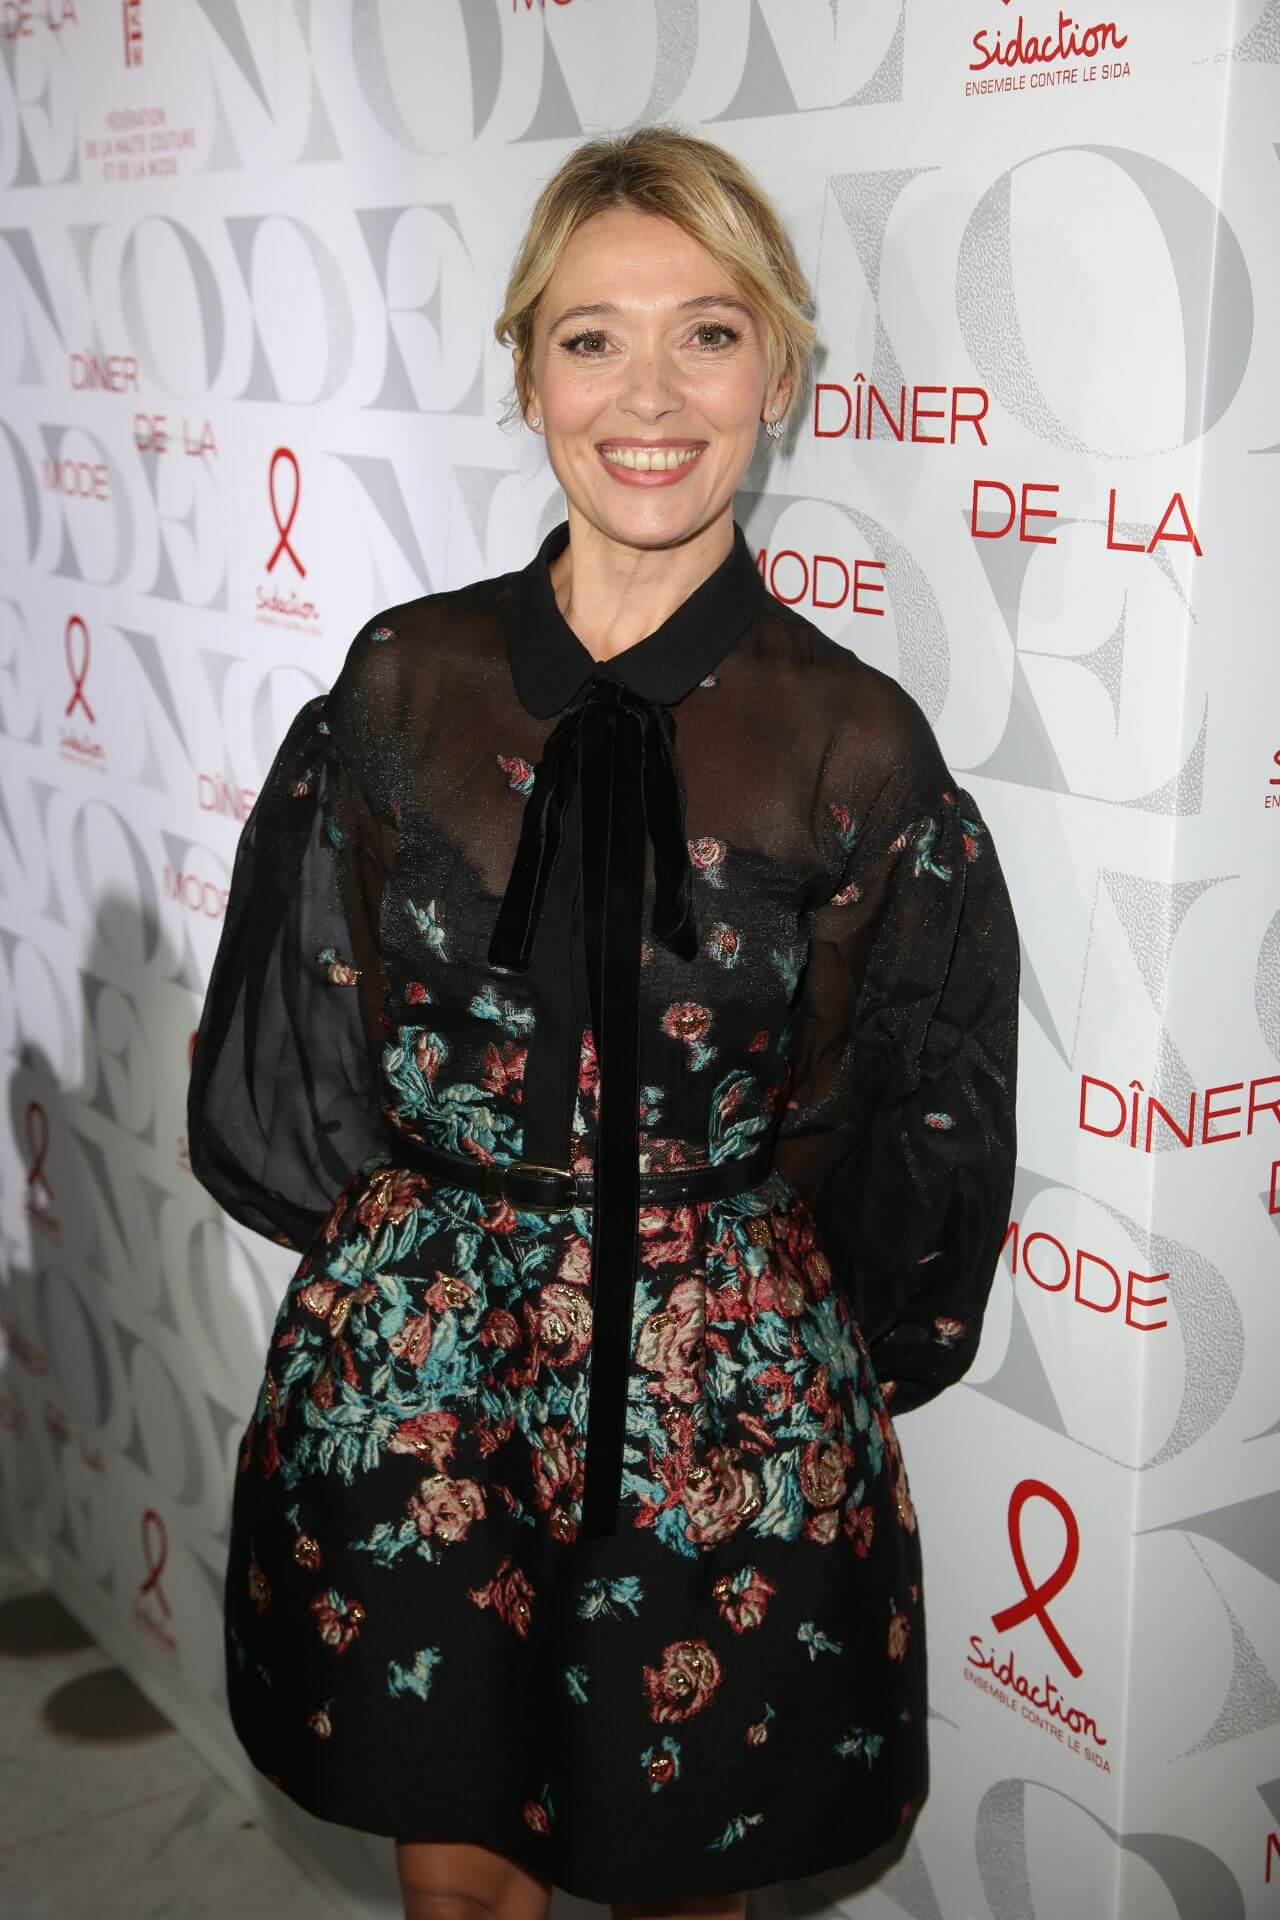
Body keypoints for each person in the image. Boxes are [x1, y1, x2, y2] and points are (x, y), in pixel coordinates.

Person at [187, 123, 1021, 1919]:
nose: (650, 391)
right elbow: (312, 1020)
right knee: (463, 1893)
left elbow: (898, 1097)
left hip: (718, 1400)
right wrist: (430, 1266)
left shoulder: (850, 739)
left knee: (677, 1892)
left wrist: (744, 1302)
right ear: (524, 370)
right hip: (430, 1382)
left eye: (709, 332)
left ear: (779, 370)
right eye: (591, 336)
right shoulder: (407, 680)